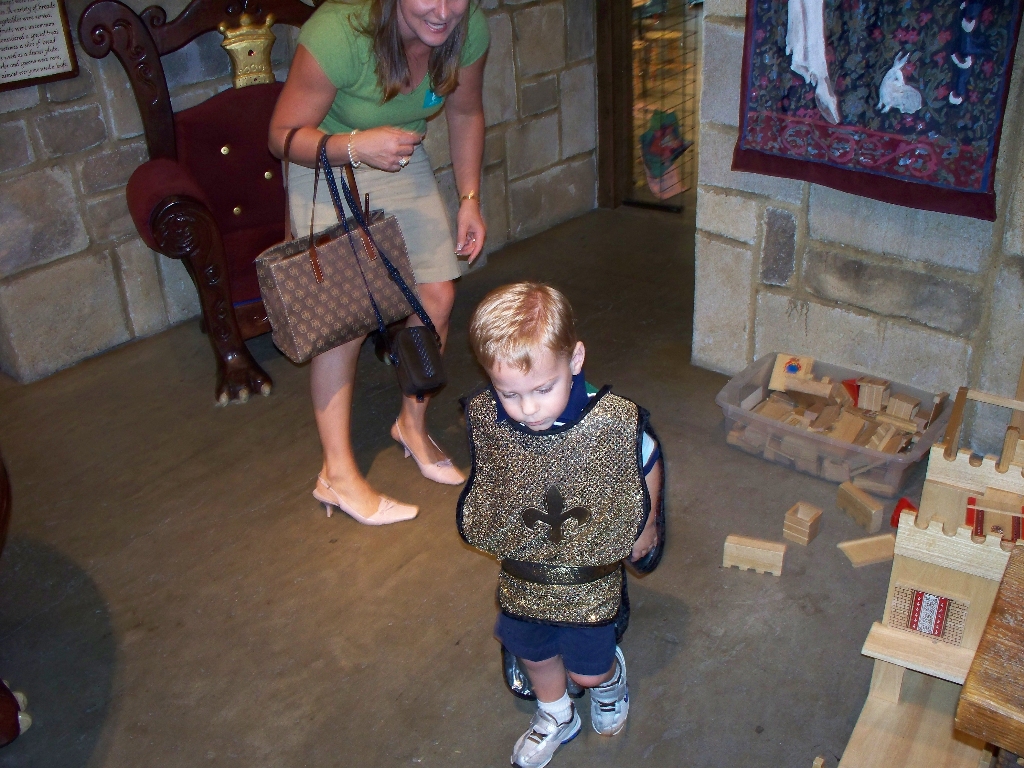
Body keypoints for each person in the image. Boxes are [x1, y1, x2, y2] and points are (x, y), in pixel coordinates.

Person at [267, 0, 489, 525]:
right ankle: (337, 474)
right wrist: (354, 146)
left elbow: (465, 112)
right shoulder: (338, 34)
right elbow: (281, 136)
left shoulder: (469, 28)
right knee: (344, 321)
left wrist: (469, 199)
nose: (444, 11)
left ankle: (411, 425)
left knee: (436, 297)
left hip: (400, 156)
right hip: (327, 158)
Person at [457, 283, 664, 768]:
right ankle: (556, 713)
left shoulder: (611, 422)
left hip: (588, 570)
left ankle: (608, 683)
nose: (527, 409)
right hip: (525, 567)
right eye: (509, 393)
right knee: (529, 649)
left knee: (587, 670)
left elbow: (646, 461)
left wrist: (646, 524)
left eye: (542, 389)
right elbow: (496, 478)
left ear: (575, 360)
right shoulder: (492, 417)